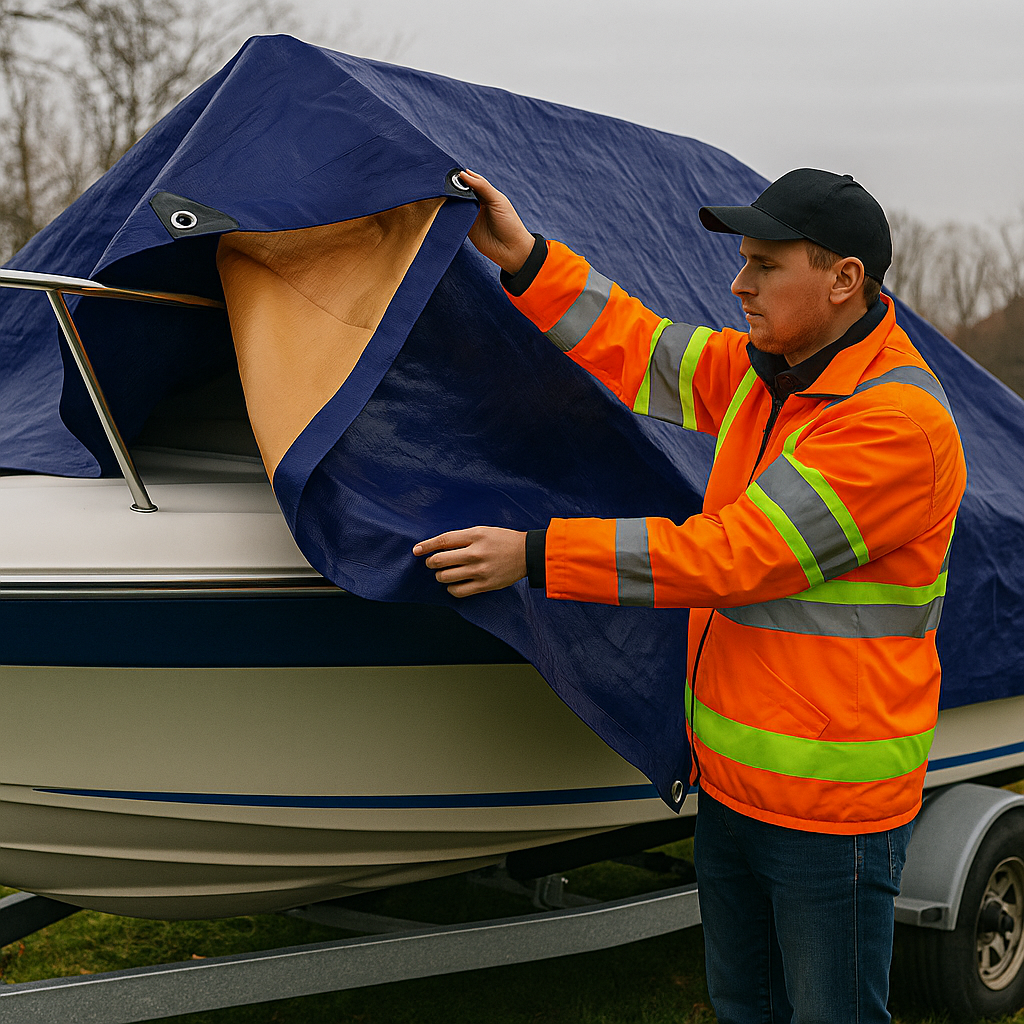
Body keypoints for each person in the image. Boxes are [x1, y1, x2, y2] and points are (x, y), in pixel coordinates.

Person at [413, 167, 967, 1023]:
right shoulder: (772, 372)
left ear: (844, 279)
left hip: (829, 811)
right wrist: (523, 260)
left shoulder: (893, 424)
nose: (737, 283)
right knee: (744, 1006)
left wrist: (533, 553)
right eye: (741, 261)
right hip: (735, 787)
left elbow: (734, 557)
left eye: (763, 265)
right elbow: (640, 347)